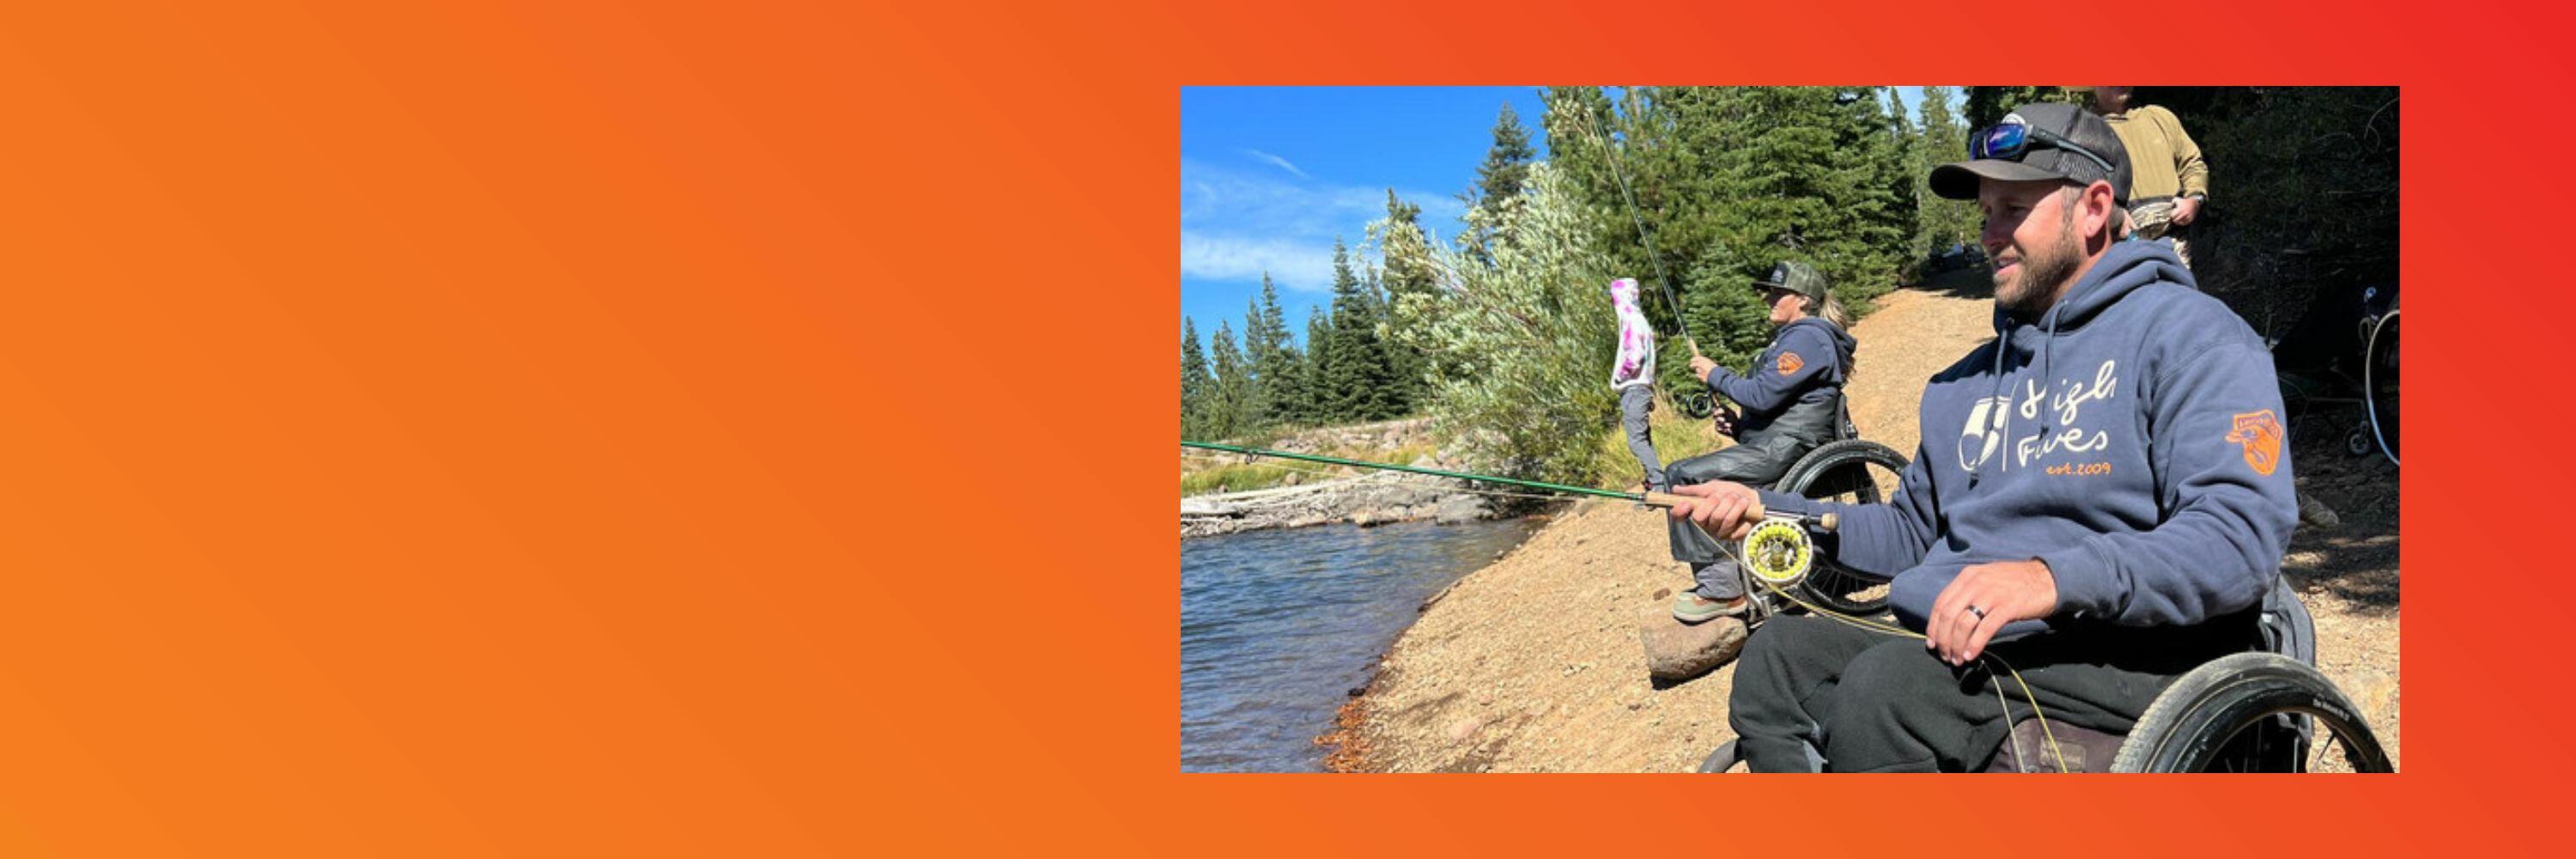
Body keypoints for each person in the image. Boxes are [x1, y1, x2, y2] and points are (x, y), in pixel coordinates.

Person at [1667, 103, 2296, 772]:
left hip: (2136, 649)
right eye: (1985, 213)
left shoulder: (2192, 336)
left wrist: (2048, 578)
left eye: (2013, 209)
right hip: (1984, 642)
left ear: (2093, 208)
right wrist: (1771, 509)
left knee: (1887, 696)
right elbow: (1911, 535)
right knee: (1778, 660)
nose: (1990, 234)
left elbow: (2237, 537)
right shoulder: (1960, 385)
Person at [1662, 260, 1856, 625]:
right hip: (1780, 444)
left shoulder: (1808, 337)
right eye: (1769, 291)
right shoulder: (1794, 339)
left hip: (1794, 448)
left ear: (1802, 300)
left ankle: (1722, 590)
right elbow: (1773, 408)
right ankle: (1731, 577)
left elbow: (1762, 395)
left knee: (1684, 477)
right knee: (1687, 474)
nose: (1768, 298)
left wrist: (1714, 373)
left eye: (1777, 292)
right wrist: (1737, 427)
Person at [2091, 87, 2208, 266]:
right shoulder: (2085, 129)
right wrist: (2113, 216)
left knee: (2179, 294)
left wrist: (2194, 199)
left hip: (2174, 239)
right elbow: (2077, 187)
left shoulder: (2159, 117)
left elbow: (2192, 163)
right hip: (2119, 245)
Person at [1607, 277, 1666, 492]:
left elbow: (1634, 356)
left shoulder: (1631, 320)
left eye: (1613, 298)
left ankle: (1659, 483)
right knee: (1644, 439)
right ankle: (1655, 483)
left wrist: (1620, 378)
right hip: (1642, 388)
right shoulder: (1640, 319)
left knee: (1636, 441)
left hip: (1633, 388)